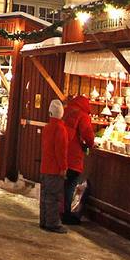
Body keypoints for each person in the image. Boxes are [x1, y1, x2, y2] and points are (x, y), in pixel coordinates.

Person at [61, 94, 96, 225]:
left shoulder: (66, 111)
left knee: (62, 184)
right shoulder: (83, 115)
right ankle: (66, 213)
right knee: (70, 185)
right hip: (73, 156)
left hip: (62, 153)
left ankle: (59, 211)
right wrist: (91, 144)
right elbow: (87, 133)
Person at [39, 99, 70, 233]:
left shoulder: (47, 128)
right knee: (53, 197)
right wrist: (63, 167)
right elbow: (60, 151)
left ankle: (44, 220)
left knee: (45, 196)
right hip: (54, 169)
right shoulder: (61, 129)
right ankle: (52, 223)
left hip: (45, 167)